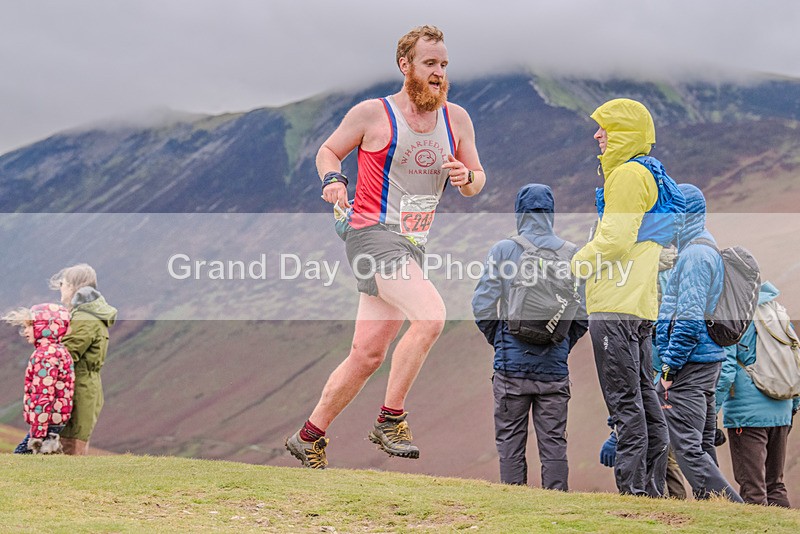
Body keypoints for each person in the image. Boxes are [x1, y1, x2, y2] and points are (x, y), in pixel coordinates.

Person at [286, 25, 486, 468]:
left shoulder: (457, 120)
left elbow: (477, 180)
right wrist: (334, 180)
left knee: (367, 354)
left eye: (444, 65)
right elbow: (327, 151)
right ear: (406, 66)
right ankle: (390, 419)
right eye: (430, 64)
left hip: (411, 244)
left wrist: (466, 178)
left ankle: (309, 436)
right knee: (432, 316)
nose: (439, 74)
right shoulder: (372, 114)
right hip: (370, 235)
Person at [571, 98, 669, 496]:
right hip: (639, 304)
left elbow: (614, 240)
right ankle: (653, 490)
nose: (597, 135)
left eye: (605, 128)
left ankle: (633, 495)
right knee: (644, 399)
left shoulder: (627, 175)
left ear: (624, 133)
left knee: (625, 404)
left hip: (616, 303)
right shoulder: (648, 174)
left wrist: (574, 264)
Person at [472, 184, 587, 490]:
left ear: (519, 212)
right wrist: (559, 342)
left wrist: (501, 339)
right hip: (554, 370)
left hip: (510, 369)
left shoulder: (503, 250)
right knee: (554, 444)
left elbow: (482, 305)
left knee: (510, 441)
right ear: (551, 212)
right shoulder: (572, 253)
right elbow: (583, 314)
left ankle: (514, 505)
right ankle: (557, 510)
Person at [655, 183, 742, 502]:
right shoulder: (704, 247)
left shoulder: (694, 255)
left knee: (688, 448)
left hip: (691, 365)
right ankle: (716, 512)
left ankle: (735, 509)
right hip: (708, 361)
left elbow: (689, 320)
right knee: (703, 445)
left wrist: (669, 367)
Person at [716, 281, 800, 507]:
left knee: (753, 488)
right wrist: (793, 404)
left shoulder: (735, 319)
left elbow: (726, 372)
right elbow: (795, 360)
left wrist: (710, 412)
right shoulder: (777, 312)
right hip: (782, 409)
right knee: (775, 484)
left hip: (748, 414)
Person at [50, 263, 118, 455]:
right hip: (84, 388)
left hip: (76, 392)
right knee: (73, 447)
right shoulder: (89, 316)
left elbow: (65, 354)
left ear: (73, 286)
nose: (60, 289)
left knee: (70, 450)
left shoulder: (84, 318)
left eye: (62, 283)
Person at [4, 303, 74, 454]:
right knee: (46, 458)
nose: (25, 332)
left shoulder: (45, 355)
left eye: (29, 326)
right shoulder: (60, 350)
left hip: (45, 421)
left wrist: (37, 434)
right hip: (55, 419)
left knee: (19, 457)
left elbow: (43, 395)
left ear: (44, 328)